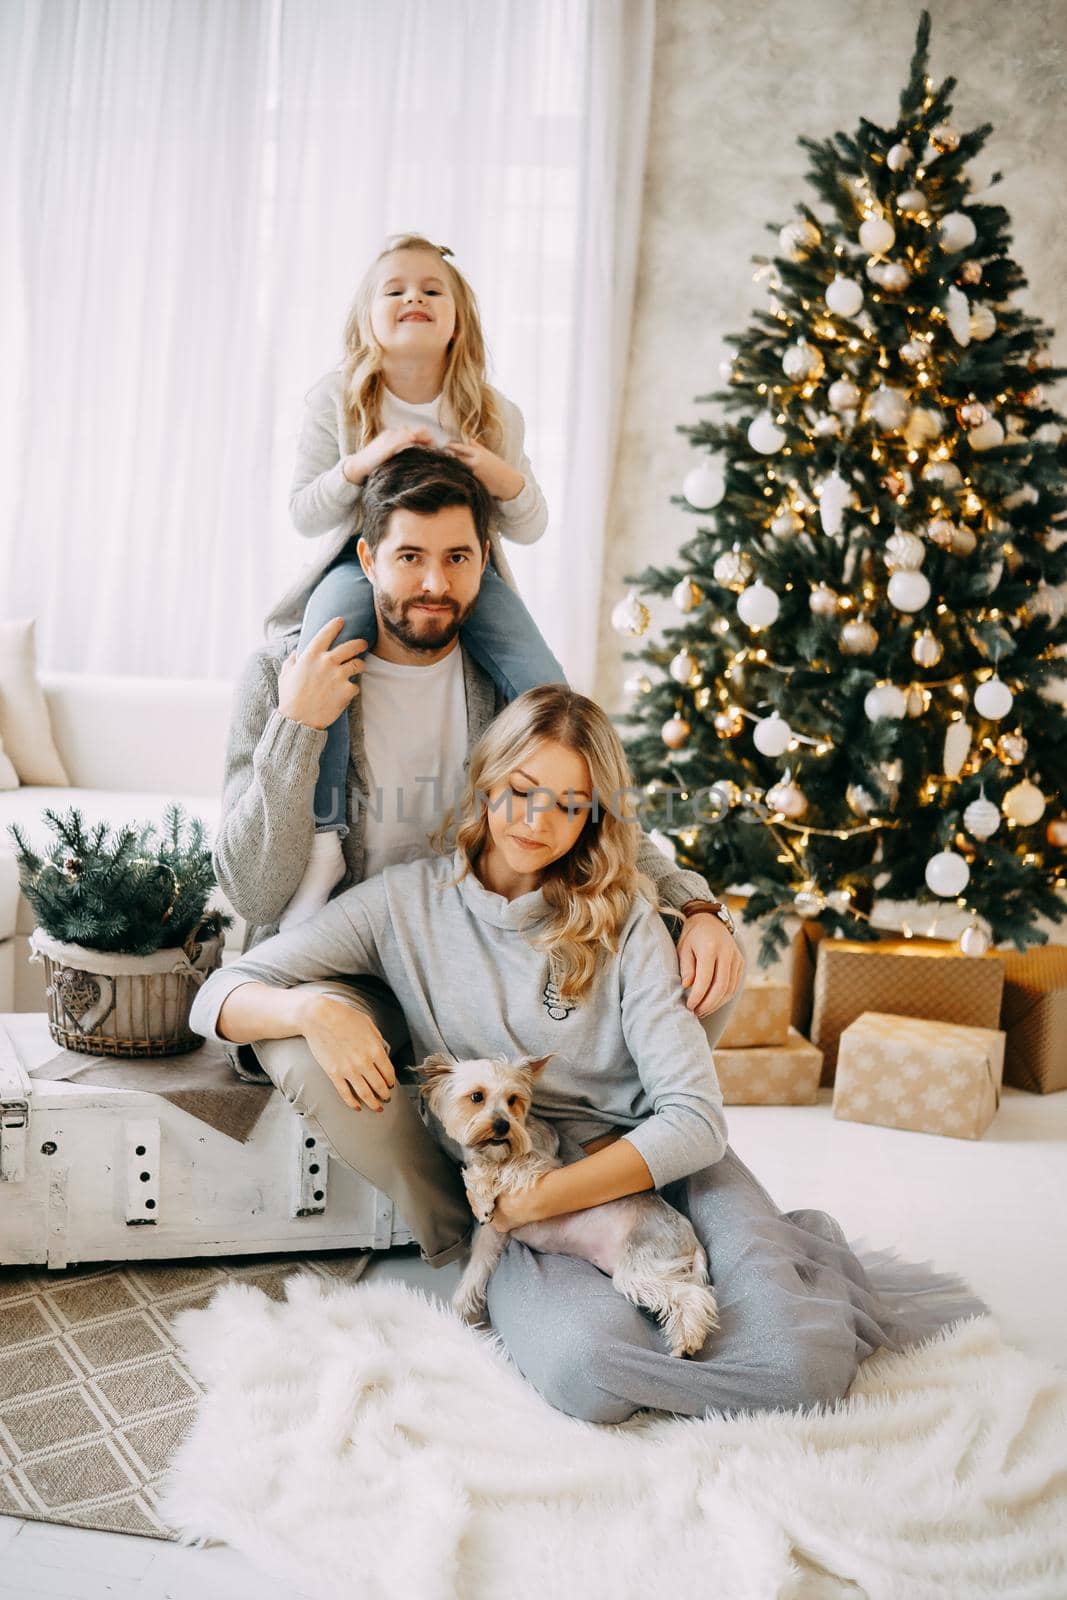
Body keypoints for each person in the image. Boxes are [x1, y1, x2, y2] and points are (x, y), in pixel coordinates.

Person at [192, 685, 983, 1425]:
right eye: (523, 790)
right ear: (486, 781)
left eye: (569, 805)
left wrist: (549, 1198)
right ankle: (762, 1278)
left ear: (592, 817)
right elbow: (217, 995)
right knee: (584, 1373)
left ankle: (771, 1264)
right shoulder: (400, 906)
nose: (537, 820)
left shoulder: (625, 917)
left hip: (655, 1164)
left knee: (801, 1372)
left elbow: (694, 1121)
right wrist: (307, 1008)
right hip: (522, 1197)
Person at [213, 446, 745, 1268]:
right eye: (409, 558)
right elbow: (252, 886)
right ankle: (471, 1237)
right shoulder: (282, 677)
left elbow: (586, 804)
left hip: (471, 942)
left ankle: (603, 1175)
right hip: (352, 943)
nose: (433, 583)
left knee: (689, 982)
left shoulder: (499, 684)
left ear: (484, 563)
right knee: (300, 1050)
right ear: (367, 558)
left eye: (456, 558)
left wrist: (696, 906)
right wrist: (298, 728)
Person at [267, 232, 565, 925]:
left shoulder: (494, 413)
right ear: (365, 317)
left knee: (545, 679)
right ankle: (323, 842)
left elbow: (529, 523)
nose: (413, 299)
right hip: (360, 561)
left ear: (458, 316)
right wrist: (360, 461)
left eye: (432, 290)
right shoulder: (337, 402)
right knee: (326, 651)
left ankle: (556, 832)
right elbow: (303, 513)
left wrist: (499, 474)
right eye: (394, 289)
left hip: (463, 567)